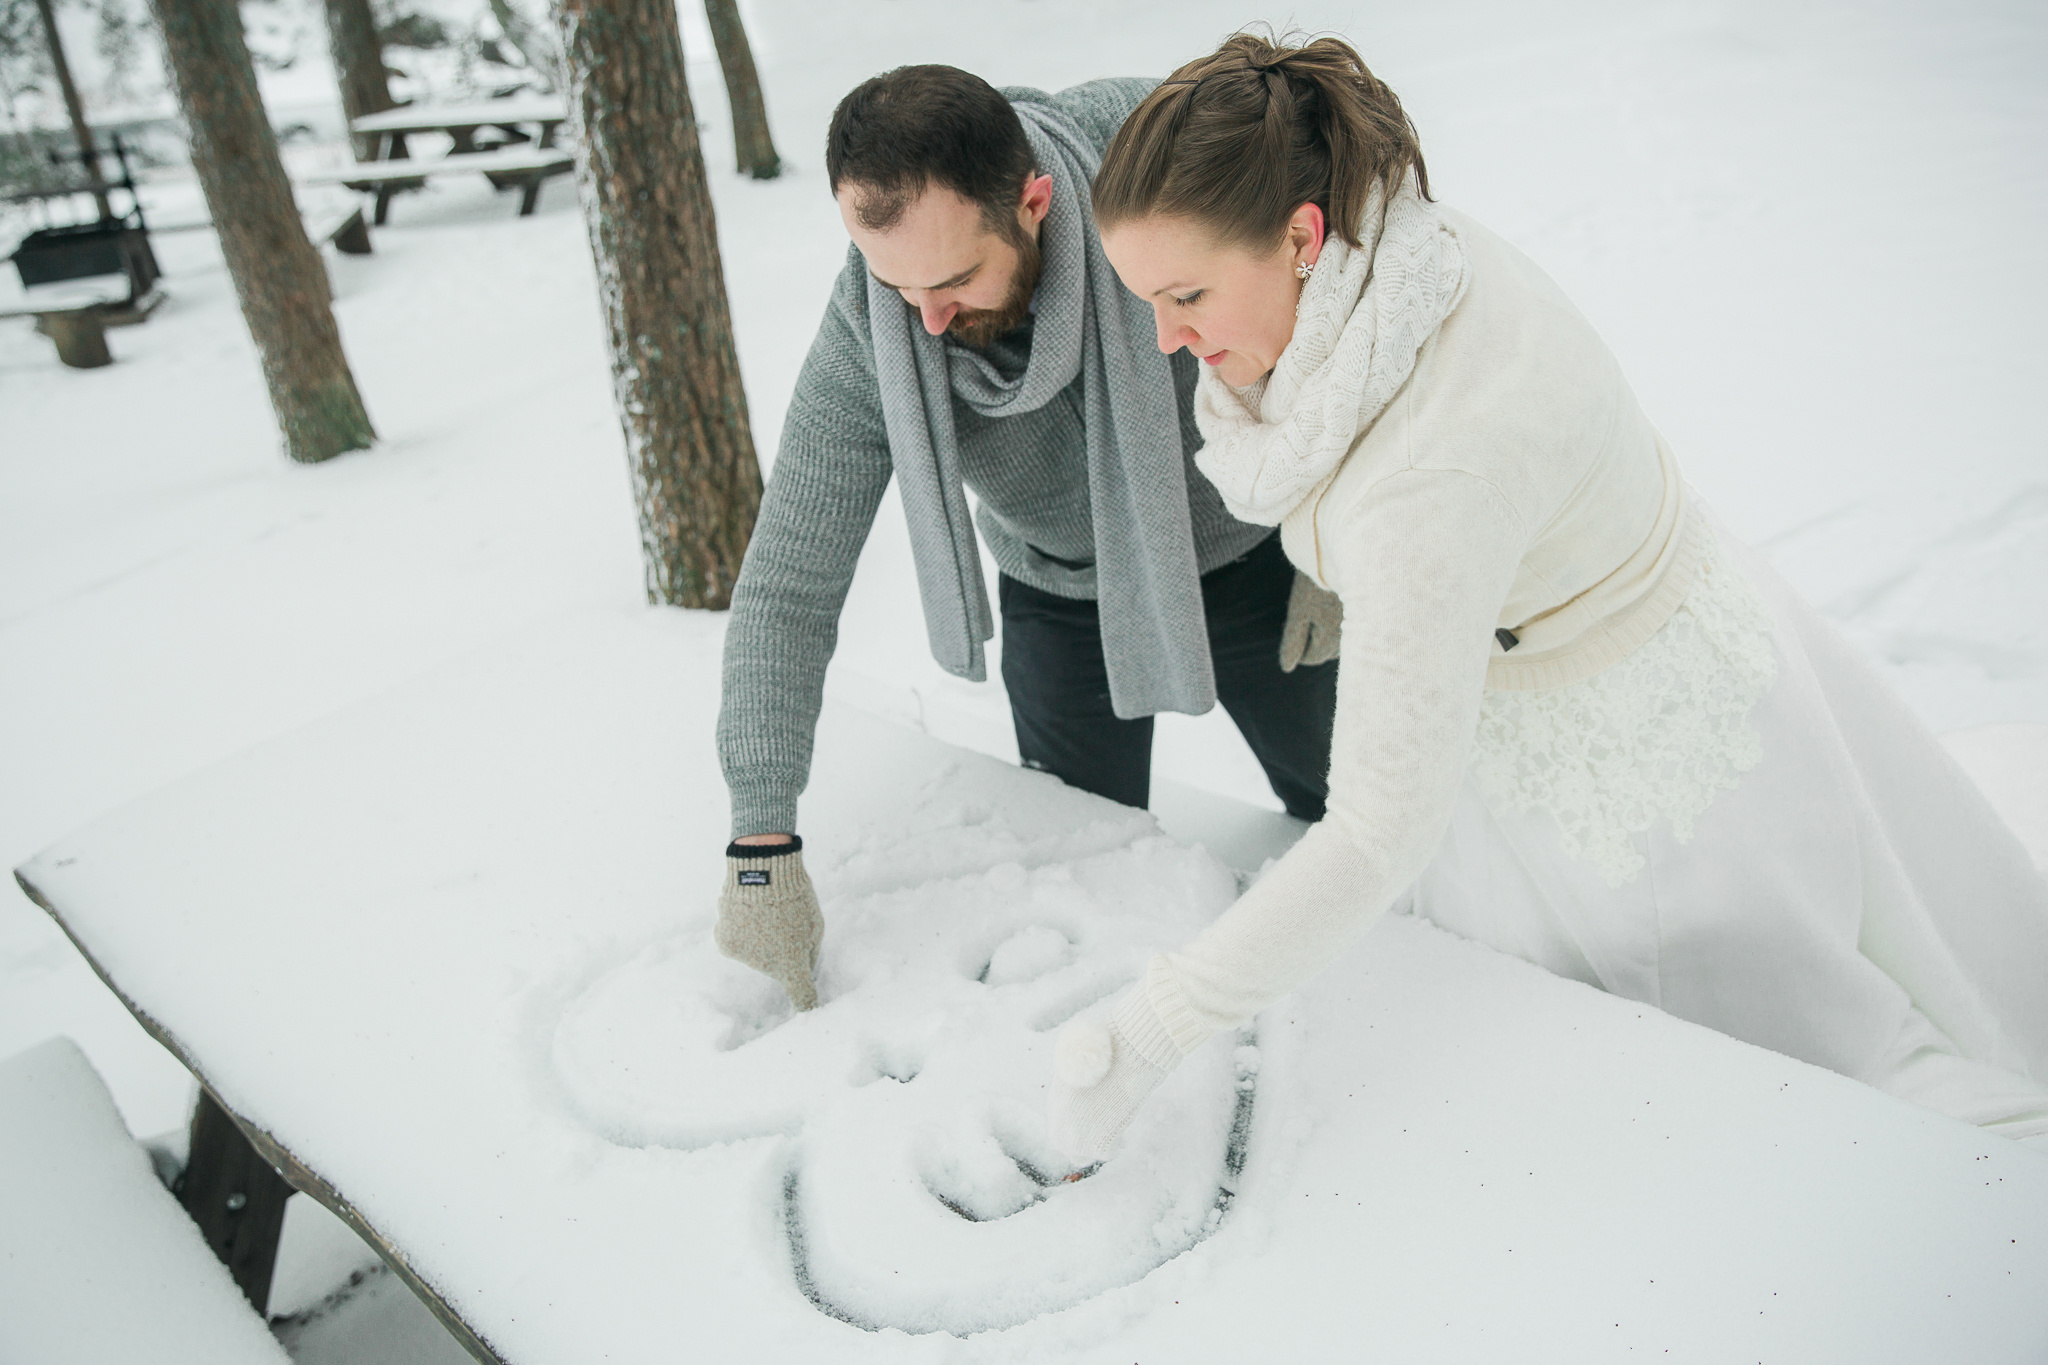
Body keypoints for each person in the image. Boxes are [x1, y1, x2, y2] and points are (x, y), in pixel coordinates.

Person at [1047, 32, 2048, 1160]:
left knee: (1808, 1071)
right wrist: (1352, 568)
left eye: (1185, 295)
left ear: (1298, 235)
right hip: (1582, 650)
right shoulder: (1393, 256)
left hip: (1641, 780)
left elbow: (1377, 832)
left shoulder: (1431, 470)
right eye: (1143, 300)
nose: (1167, 341)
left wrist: (1154, 1026)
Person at [713, 66, 1342, 1011]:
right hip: (1061, 596)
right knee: (1097, 866)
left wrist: (1341, 542)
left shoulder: (1156, 155)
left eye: (957, 278)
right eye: (896, 282)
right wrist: (760, 842)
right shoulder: (877, 323)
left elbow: (1345, 294)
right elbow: (789, 581)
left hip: (1264, 554)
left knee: (1351, 813)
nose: (924, 318)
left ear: (1035, 203)